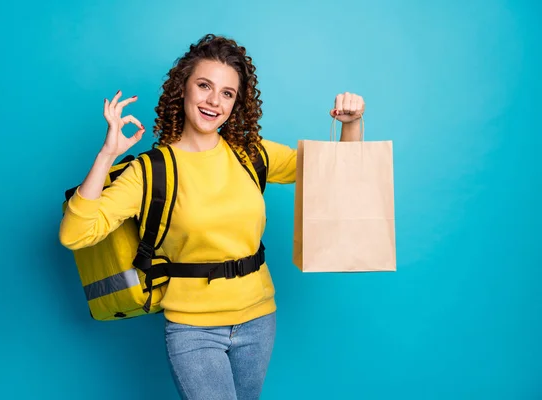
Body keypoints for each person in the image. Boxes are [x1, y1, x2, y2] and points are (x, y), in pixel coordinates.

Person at [59, 33, 365, 400]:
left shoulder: (251, 154)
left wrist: (351, 124)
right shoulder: (151, 170)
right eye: (204, 85)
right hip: (193, 328)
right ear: (183, 89)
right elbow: (75, 234)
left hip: (259, 318)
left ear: (236, 103)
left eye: (227, 93)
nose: (213, 101)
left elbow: (339, 172)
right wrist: (108, 154)